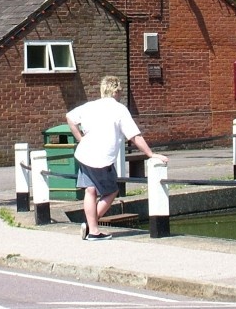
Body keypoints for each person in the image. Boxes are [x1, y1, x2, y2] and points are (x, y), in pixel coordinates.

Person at [66, 75, 167, 241]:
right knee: (112, 191)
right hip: (101, 157)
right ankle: (92, 228)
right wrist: (151, 154)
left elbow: (70, 117)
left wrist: (80, 139)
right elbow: (135, 136)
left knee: (90, 191)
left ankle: (91, 227)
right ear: (116, 91)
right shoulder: (119, 109)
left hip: (84, 154)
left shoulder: (90, 106)